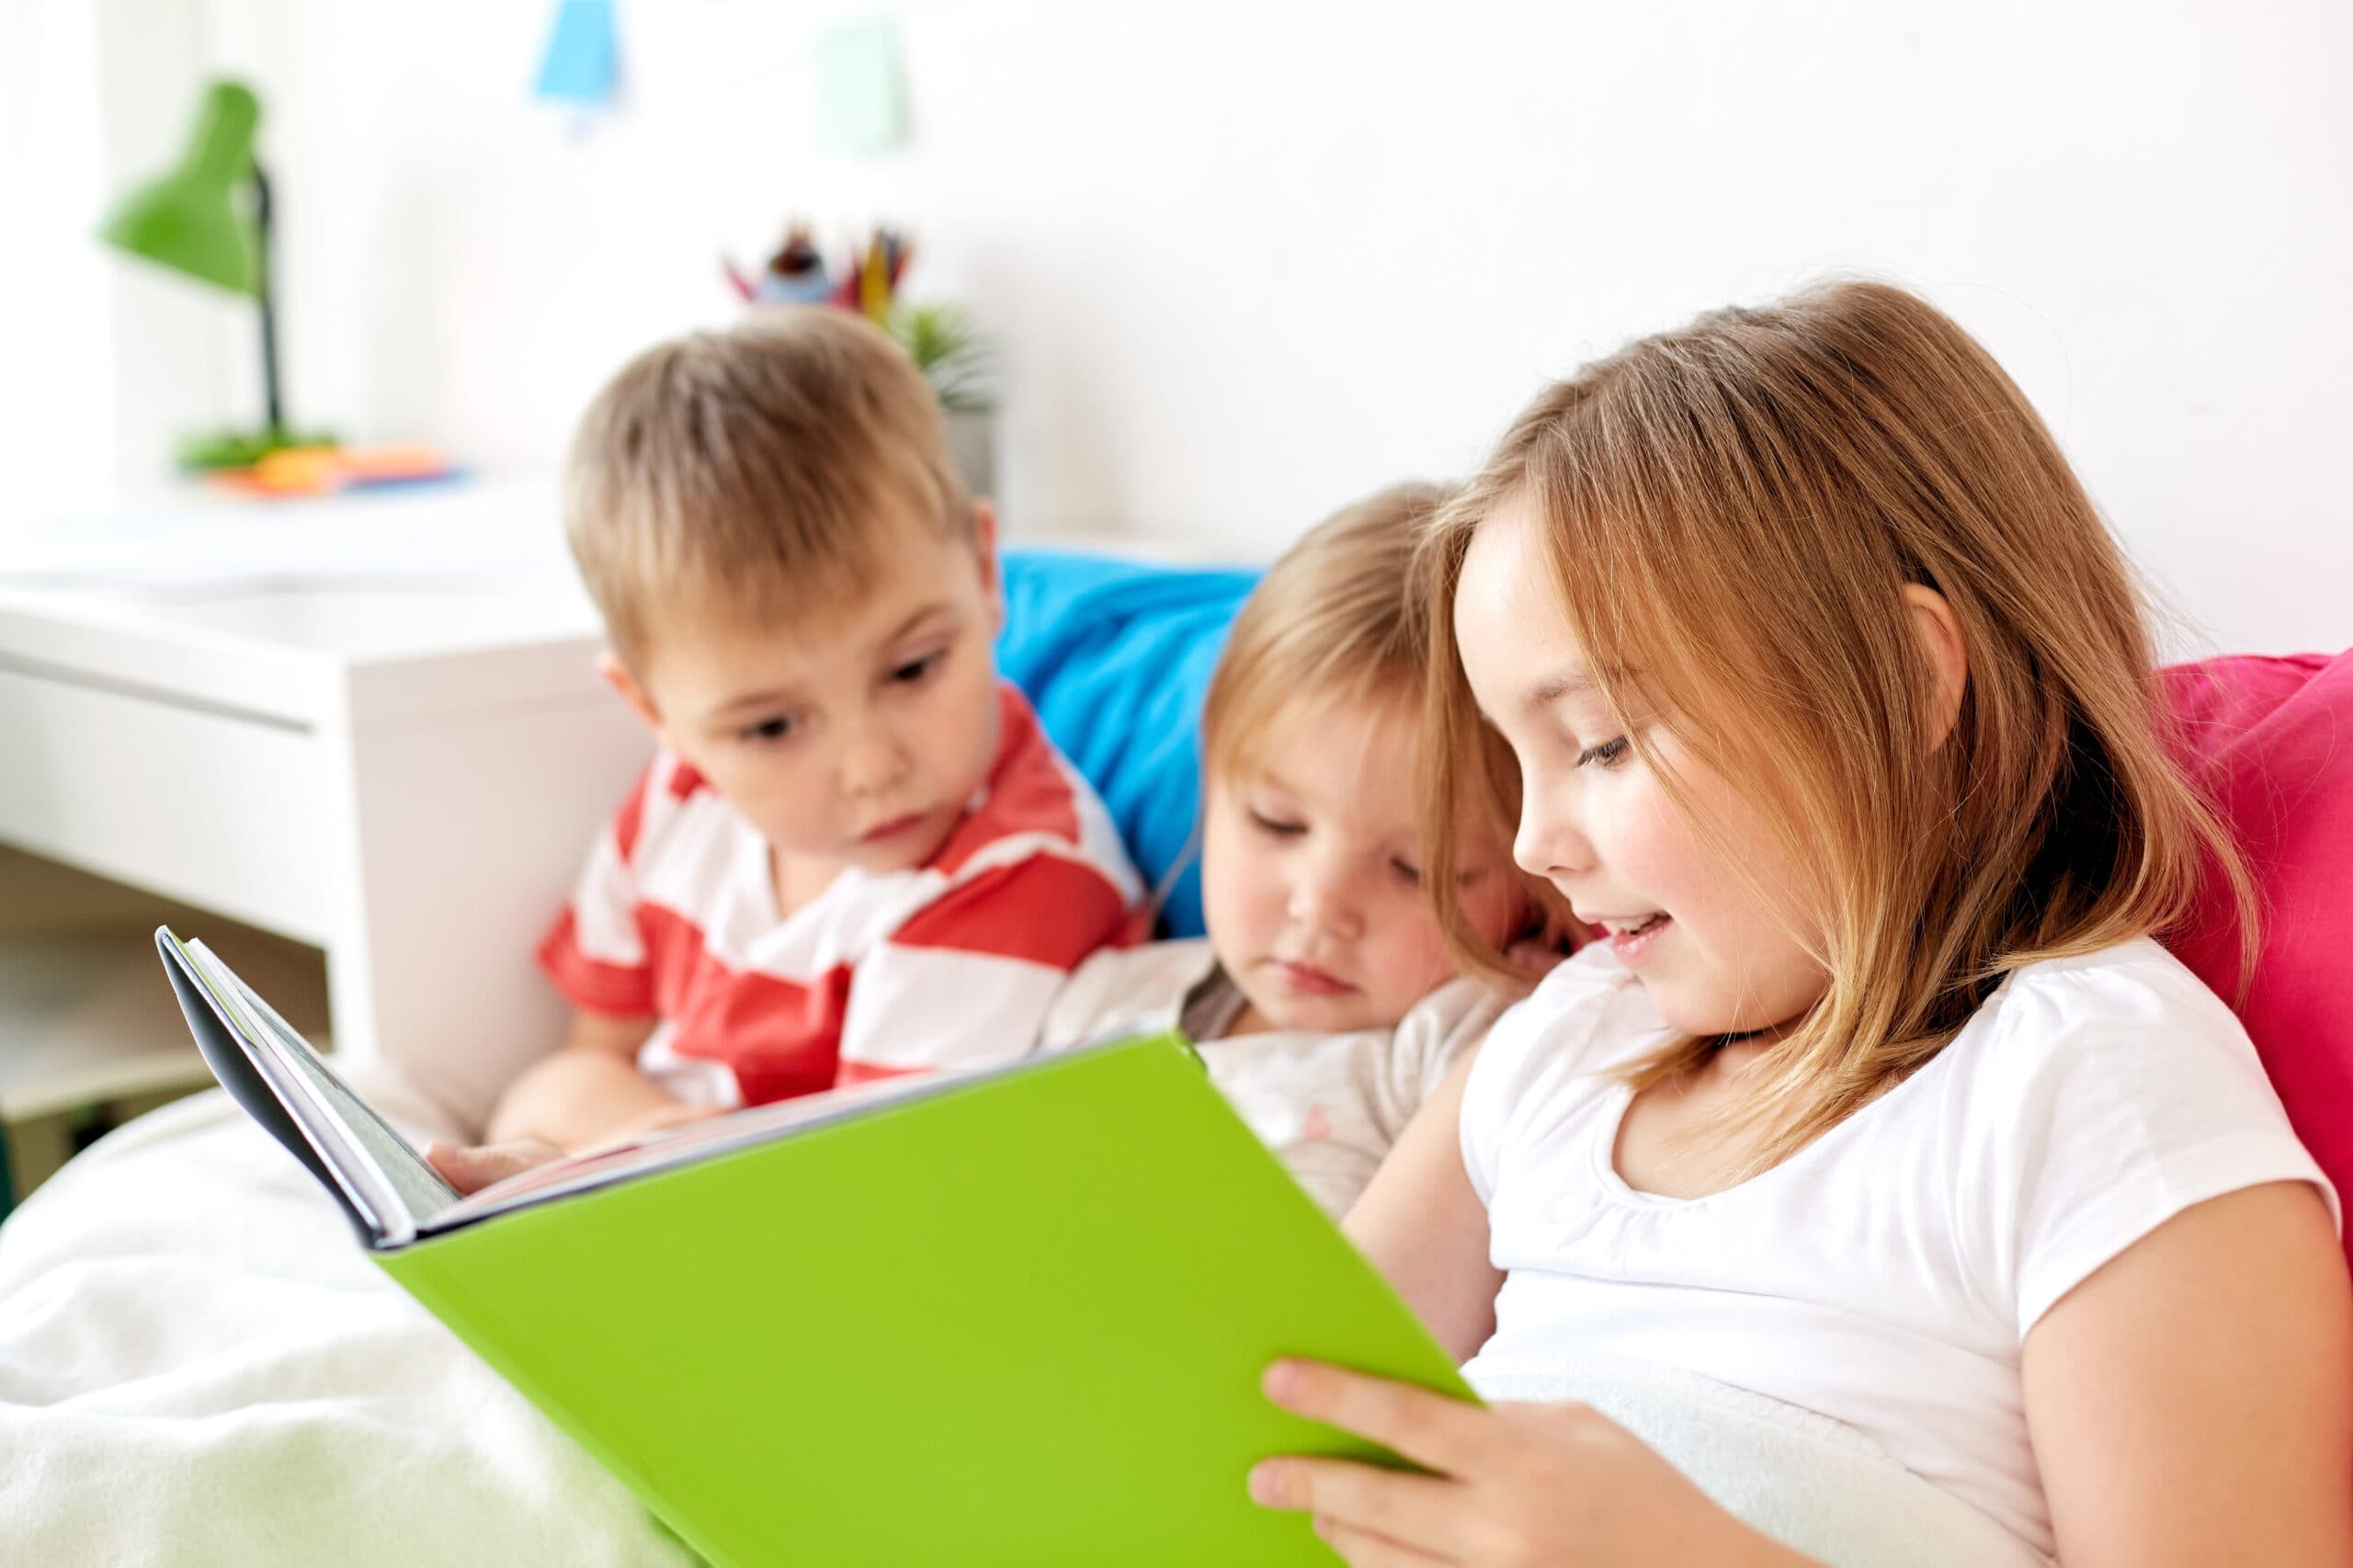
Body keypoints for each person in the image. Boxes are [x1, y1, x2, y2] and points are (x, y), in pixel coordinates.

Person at [1247, 281, 2353, 1565]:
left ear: (1902, 682)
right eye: (1519, 762)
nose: (1534, 843)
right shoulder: (1556, 1056)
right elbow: (1268, 1422)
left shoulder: (2088, 1089)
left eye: (1599, 742)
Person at [485, 307, 1139, 1154]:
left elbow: (876, 1188)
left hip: (836, 1202)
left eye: (911, 671)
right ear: (656, 714)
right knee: (552, 1090)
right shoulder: (680, 799)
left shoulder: (1017, 870)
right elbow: (596, 1048)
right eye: (771, 727)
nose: (871, 767)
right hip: (688, 1168)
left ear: (984, 571)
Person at [1041, 483, 1568, 1217]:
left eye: (1415, 871)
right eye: (1276, 823)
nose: (1319, 908)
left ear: (1535, 887)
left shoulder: (1465, 1042)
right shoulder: (1101, 1003)